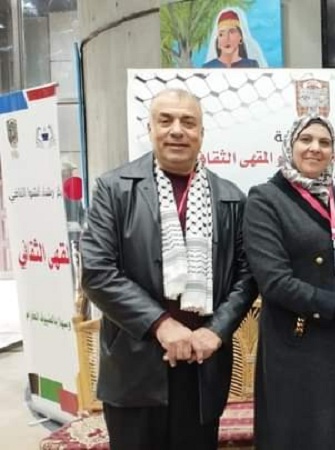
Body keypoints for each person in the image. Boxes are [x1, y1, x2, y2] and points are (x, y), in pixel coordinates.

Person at [80, 88, 258, 449]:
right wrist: (161, 325)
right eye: (166, 120)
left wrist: (216, 331)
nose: (177, 130)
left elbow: (246, 276)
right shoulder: (114, 189)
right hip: (134, 365)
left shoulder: (230, 198)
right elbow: (97, 272)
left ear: (201, 133)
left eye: (188, 122)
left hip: (203, 365)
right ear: (150, 129)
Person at [243, 115, 335, 450]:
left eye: (324, 142)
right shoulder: (265, 200)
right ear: (290, 145)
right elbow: (274, 281)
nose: (315, 148)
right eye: (306, 139)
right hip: (297, 343)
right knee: (302, 435)